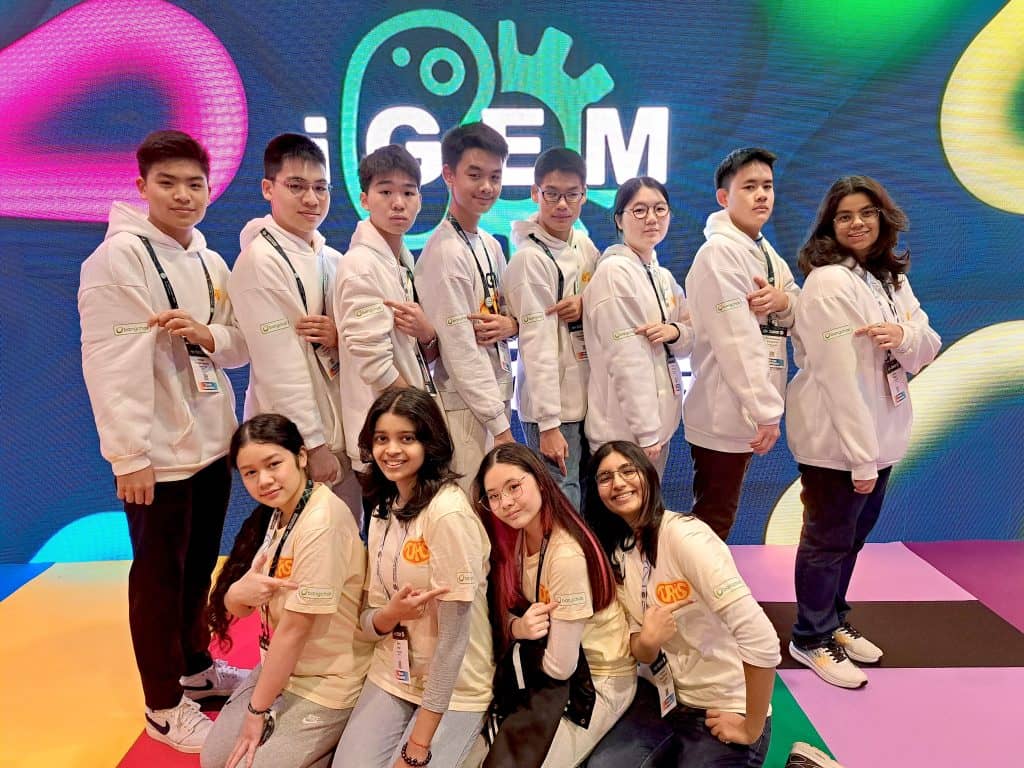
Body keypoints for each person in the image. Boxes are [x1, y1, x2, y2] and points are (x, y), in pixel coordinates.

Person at [78, 129, 249, 752]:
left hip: (211, 445)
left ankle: (196, 668)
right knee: (157, 578)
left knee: (198, 567)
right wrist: (129, 455)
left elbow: (238, 345)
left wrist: (207, 334)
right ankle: (162, 705)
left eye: (194, 184)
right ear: (142, 186)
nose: (183, 195)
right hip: (156, 456)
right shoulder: (115, 260)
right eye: (168, 183)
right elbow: (109, 364)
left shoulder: (210, 260)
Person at [786, 176, 940, 688]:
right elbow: (838, 378)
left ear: (882, 217)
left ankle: (832, 619)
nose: (857, 224)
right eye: (845, 216)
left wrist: (903, 335)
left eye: (866, 213)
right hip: (839, 445)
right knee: (827, 541)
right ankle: (810, 637)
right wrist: (860, 456)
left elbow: (927, 344)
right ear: (829, 225)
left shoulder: (888, 278)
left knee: (851, 540)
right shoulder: (829, 282)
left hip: (882, 437)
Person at [585, 441, 780, 768]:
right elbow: (641, 650)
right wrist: (649, 641)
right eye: (605, 477)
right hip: (663, 699)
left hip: (723, 706)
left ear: (648, 476)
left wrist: (751, 726)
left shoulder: (687, 538)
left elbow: (762, 639)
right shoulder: (618, 552)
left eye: (627, 471)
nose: (617, 483)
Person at [333, 388, 493, 768]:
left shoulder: (448, 513)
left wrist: (418, 746)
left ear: (429, 443)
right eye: (381, 439)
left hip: (454, 685)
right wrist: (390, 614)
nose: (392, 450)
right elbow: (369, 618)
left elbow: (454, 641)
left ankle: (473, 743)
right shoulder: (382, 508)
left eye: (407, 438)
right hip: (395, 670)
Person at [202, 414, 371, 768]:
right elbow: (242, 605)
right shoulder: (281, 513)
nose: (263, 480)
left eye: (273, 464)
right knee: (213, 759)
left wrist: (256, 712)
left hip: (325, 682)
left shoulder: (321, 523)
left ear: (301, 456)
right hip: (280, 671)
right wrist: (235, 593)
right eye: (250, 472)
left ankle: (335, 748)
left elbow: (294, 631)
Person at [473, 443, 635, 766]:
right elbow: (507, 614)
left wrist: (519, 655)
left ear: (539, 480)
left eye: (514, 487)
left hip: (597, 680)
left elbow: (561, 666)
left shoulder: (565, 556)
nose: (505, 502)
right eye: (493, 496)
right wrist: (517, 627)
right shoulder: (519, 536)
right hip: (550, 670)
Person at [228, 133, 362, 521]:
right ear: (268, 188)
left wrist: (338, 337)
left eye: (321, 188)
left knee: (345, 541)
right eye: (297, 186)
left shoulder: (331, 258)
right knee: (307, 547)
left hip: (340, 433)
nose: (311, 199)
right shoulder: (259, 262)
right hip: (295, 444)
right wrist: (312, 445)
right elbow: (279, 366)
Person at [684, 147, 801, 540]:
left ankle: (704, 578)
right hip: (724, 408)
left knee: (720, 515)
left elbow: (796, 300)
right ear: (724, 197)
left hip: (748, 407)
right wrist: (766, 410)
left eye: (767, 186)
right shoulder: (719, 255)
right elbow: (736, 340)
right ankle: (697, 582)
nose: (761, 195)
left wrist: (783, 301)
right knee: (713, 519)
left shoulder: (763, 251)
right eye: (749, 187)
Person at [414, 122, 517, 493]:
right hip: (463, 405)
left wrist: (512, 325)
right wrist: (499, 426)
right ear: (448, 175)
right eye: (474, 175)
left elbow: (504, 310)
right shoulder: (444, 253)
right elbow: (458, 348)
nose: (486, 186)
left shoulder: (489, 244)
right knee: (470, 505)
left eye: (495, 176)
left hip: (495, 396)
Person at [334, 144, 438, 473]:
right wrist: (421, 415)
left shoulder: (401, 260)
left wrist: (428, 334)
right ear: (364, 199)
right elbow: (374, 363)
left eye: (408, 192)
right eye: (386, 191)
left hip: (403, 429)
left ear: (420, 199)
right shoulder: (360, 265)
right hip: (385, 437)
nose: (398, 203)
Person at [504, 148, 599, 508]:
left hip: (587, 401)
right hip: (554, 411)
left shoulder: (583, 244)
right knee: (563, 503)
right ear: (535, 193)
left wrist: (585, 302)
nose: (562, 204)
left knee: (587, 500)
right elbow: (536, 345)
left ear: (584, 195)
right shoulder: (529, 259)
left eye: (572, 194)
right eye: (552, 194)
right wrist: (548, 425)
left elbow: (604, 294)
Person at [582, 177, 693, 477]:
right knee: (626, 508)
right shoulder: (614, 273)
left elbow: (690, 336)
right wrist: (646, 432)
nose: (652, 218)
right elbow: (626, 360)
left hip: (657, 430)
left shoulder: (662, 276)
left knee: (649, 506)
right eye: (640, 210)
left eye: (660, 209)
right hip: (624, 435)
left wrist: (675, 331)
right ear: (619, 219)